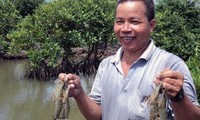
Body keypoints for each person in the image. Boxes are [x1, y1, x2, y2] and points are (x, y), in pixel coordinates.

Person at [59, 0, 200, 119]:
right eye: (119, 21)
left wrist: (178, 96)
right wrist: (79, 94)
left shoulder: (172, 65)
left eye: (134, 21)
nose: (125, 29)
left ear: (151, 26)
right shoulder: (106, 65)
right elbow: (97, 115)